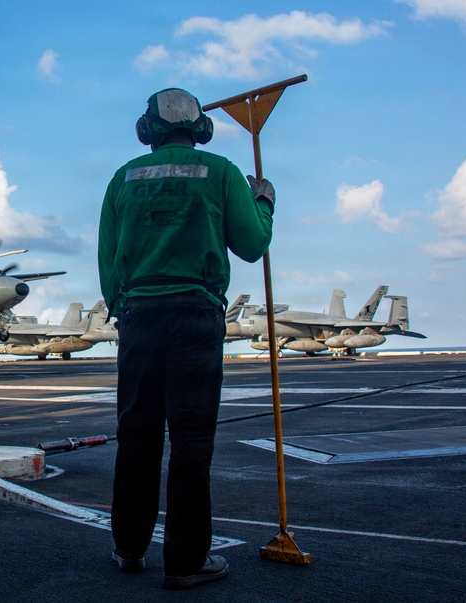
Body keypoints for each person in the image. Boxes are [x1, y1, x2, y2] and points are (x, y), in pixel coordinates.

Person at [97, 88, 274, 589]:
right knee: (191, 442)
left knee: (137, 437)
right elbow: (251, 245)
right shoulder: (219, 171)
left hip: (139, 317)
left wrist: (123, 311)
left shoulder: (122, 178)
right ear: (200, 128)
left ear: (146, 130)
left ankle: (129, 548)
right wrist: (263, 201)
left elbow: (108, 260)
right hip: (196, 316)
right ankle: (186, 562)